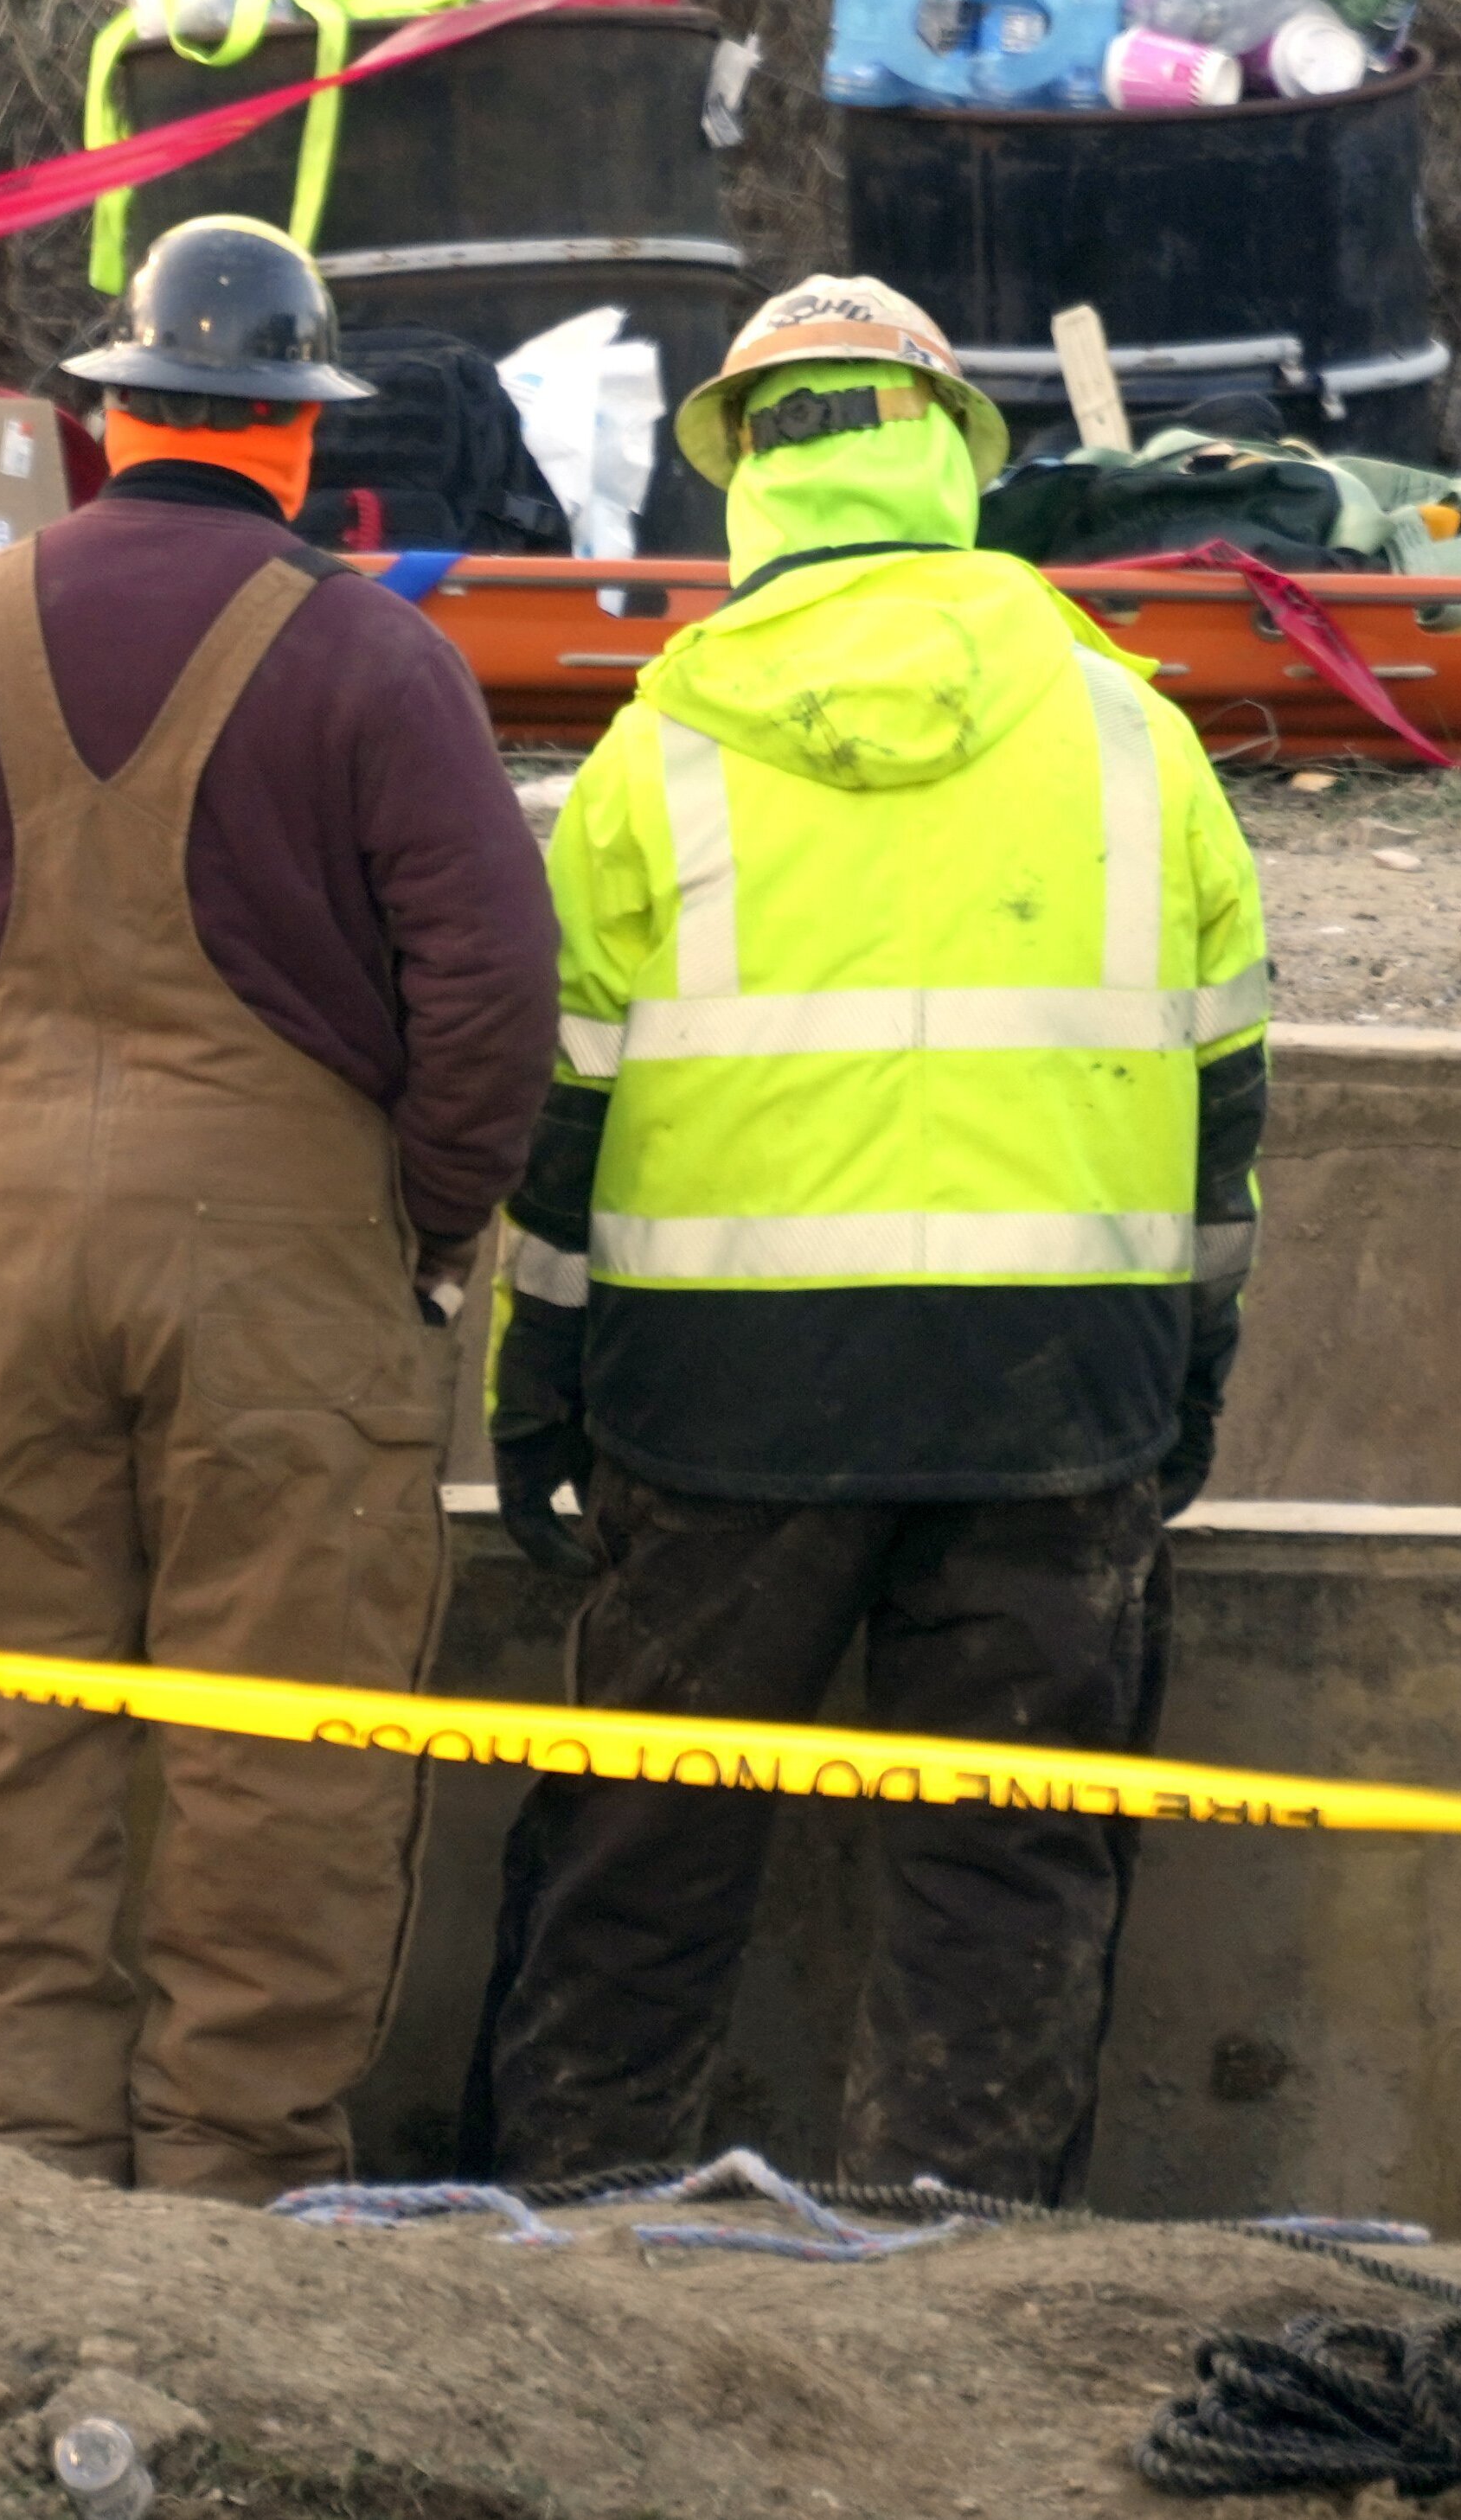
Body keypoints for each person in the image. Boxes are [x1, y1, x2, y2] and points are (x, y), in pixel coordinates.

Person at [469, 274, 1269, 2198]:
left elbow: (561, 1128)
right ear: (957, 458)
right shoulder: (1133, 736)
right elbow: (1222, 1113)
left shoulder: (657, 751)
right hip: (1052, 1393)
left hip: (719, 1402)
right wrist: (1186, 1385)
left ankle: (571, 2251)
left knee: (641, 1856)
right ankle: (958, 2276)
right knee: (1005, 1875)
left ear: (744, 469)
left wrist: (539, 1387)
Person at [0, 214, 557, 2199]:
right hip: (282, 1270)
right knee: (282, 1740)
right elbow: (492, 987)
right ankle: (234, 2174)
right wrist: (424, 1222)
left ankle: (13, 2159)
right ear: (297, 429)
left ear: (108, 416)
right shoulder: (371, 653)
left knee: (7, 1714)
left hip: (5, 1253)